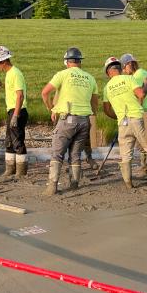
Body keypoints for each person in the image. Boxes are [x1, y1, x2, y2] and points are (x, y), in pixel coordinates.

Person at [40, 47, 100, 196]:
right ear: (80, 62)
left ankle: (52, 187)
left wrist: (51, 108)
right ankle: (74, 184)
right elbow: (95, 104)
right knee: (75, 155)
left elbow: (45, 92)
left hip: (67, 119)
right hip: (84, 121)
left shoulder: (63, 74)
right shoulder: (90, 78)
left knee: (57, 153)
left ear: (67, 61)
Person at [102, 56, 147, 189]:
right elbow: (141, 95)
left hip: (122, 123)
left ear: (108, 72)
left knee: (126, 155)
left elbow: (107, 110)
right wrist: (145, 85)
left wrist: (119, 116)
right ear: (119, 68)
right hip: (137, 118)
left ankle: (129, 184)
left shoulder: (107, 88)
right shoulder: (129, 78)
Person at [0, 45, 29, 178]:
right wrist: (1, 85)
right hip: (11, 110)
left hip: (18, 111)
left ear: (4, 61)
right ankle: (10, 168)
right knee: (9, 140)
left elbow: (20, 95)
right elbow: (12, 90)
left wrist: (16, 115)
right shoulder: (9, 74)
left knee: (17, 140)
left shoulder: (16, 73)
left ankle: (21, 171)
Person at [121, 52, 147, 179]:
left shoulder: (137, 76)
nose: (124, 72)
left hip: (143, 112)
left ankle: (146, 170)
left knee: (143, 145)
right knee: (146, 142)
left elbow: (141, 95)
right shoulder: (144, 72)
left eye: (124, 68)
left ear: (129, 64)